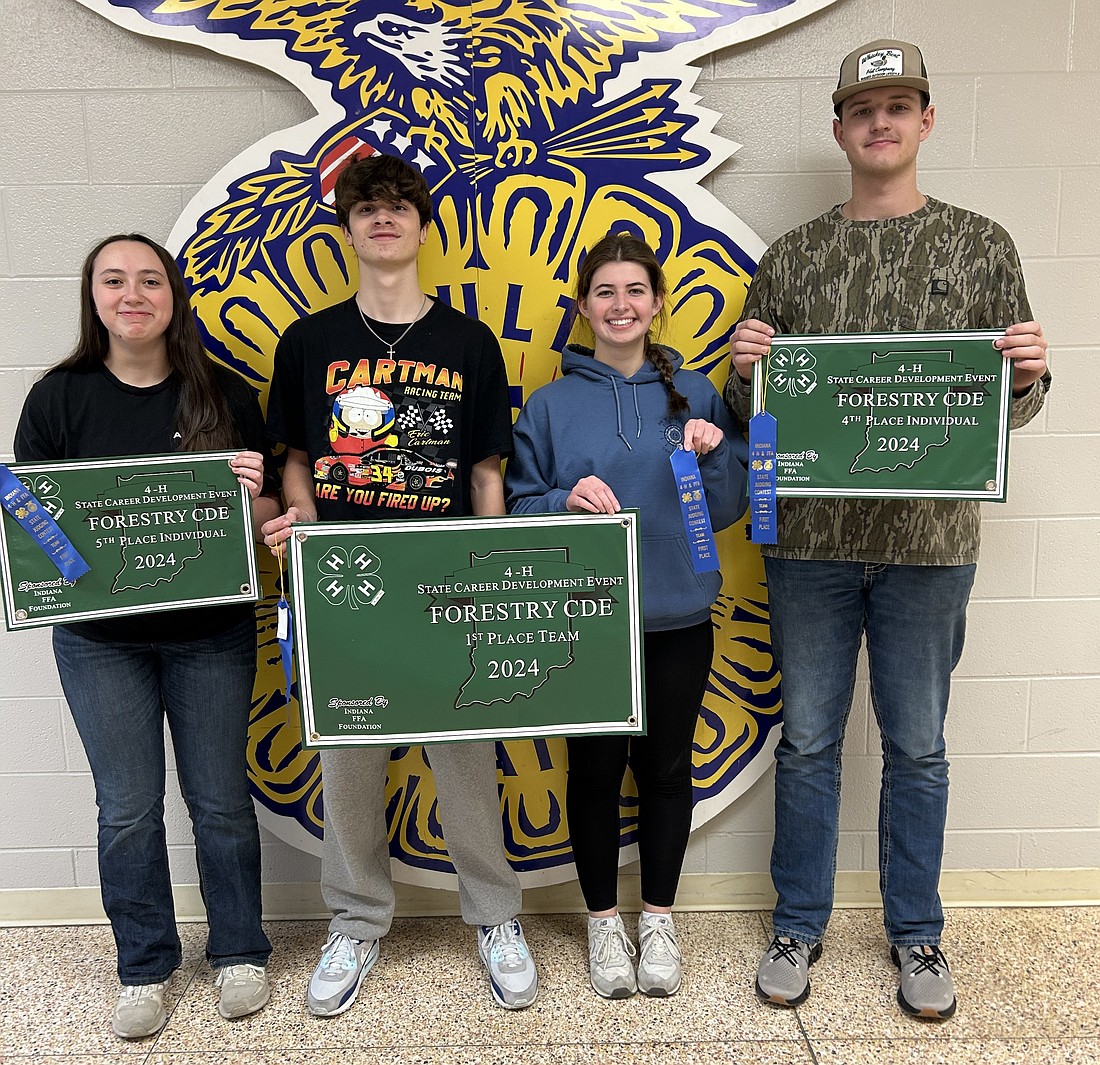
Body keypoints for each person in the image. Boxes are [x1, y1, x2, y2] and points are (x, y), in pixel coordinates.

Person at [725, 39, 1051, 1020]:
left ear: (923, 121)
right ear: (837, 128)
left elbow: (1010, 409)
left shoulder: (981, 245)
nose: (879, 121)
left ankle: (915, 934)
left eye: (897, 105)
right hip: (811, 549)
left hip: (928, 549)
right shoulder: (792, 257)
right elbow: (752, 421)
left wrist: (1028, 376)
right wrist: (744, 375)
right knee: (809, 743)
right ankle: (797, 922)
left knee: (916, 746)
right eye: (861, 108)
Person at [261, 153, 538, 1015]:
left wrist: (490, 580)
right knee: (346, 766)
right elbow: (297, 463)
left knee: (465, 763)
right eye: (366, 208)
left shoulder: (467, 342)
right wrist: (300, 524)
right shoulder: (309, 342)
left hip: (446, 582)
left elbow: (488, 472)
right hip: (347, 591)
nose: (384, 219)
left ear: (424, 227)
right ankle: (355, 918)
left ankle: (495, 915)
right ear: (346, 229)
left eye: (400, 206)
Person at [14, 234, 279, 1038]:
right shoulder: (57, 399)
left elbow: (262, 527)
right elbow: (31, 531)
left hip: (211, 634)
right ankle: (144, 965)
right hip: (102, 640)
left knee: (222, 803)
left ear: (173, 296)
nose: (133, 294)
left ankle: (239, 949)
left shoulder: (223, 393)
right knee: (126, 808)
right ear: (92, 298)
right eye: (114, 280)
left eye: (150, 280)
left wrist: (258, 500)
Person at [505, 231, 748, 998]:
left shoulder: (700, 396)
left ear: (656, 303)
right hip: (586, 623)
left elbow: (735, 507)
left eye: (635, 291)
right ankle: (603, 921)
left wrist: (715, 454)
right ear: (583, 306)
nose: (620, 304)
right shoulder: (549, 405)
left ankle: (658, 917)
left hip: (678, 618)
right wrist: (559, 502)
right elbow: (516, 505)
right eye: (604, 291)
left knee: (668, 771)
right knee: (596, 775)